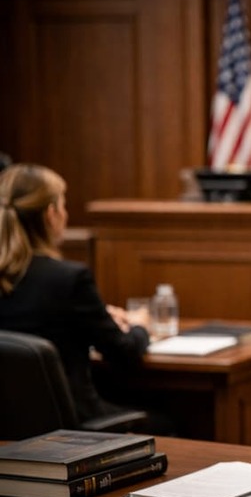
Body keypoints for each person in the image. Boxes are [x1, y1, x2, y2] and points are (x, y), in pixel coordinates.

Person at [0, 163, 170, 434]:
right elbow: (123, 352)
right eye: (64, 205)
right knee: (173, 422)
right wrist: (140, 325)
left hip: (9, 434)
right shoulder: (68, 279)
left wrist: (100, 317)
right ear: (51, 214)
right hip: (73, 433)